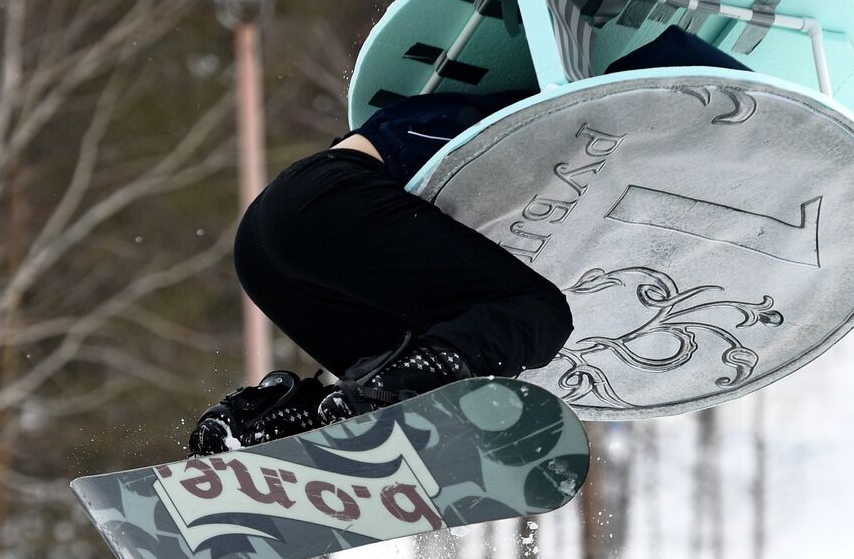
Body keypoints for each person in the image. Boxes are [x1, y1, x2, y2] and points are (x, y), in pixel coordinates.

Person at [187, 24, 750, 455]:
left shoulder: (520, 130)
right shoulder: (534, 123)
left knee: (389, 372)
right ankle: (389, 396)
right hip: (324, 201)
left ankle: (261, 428)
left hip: (267, 241)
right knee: (537, 314)